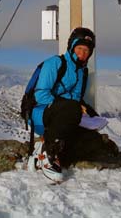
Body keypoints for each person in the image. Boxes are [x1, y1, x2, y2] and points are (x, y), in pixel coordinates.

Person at [28, 26, 98, 182]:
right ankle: (46, 154)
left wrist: (91, 114)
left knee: (91, 136)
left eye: (86, 51)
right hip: (40, 113)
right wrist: (69, 106)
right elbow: (41, 94)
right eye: (79, 48)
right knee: (71, 108)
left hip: (64, 115)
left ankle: (47, 150)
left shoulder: (82, 71)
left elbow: (76, 98)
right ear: (72, 47)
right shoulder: (55, 63)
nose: (82, 54)